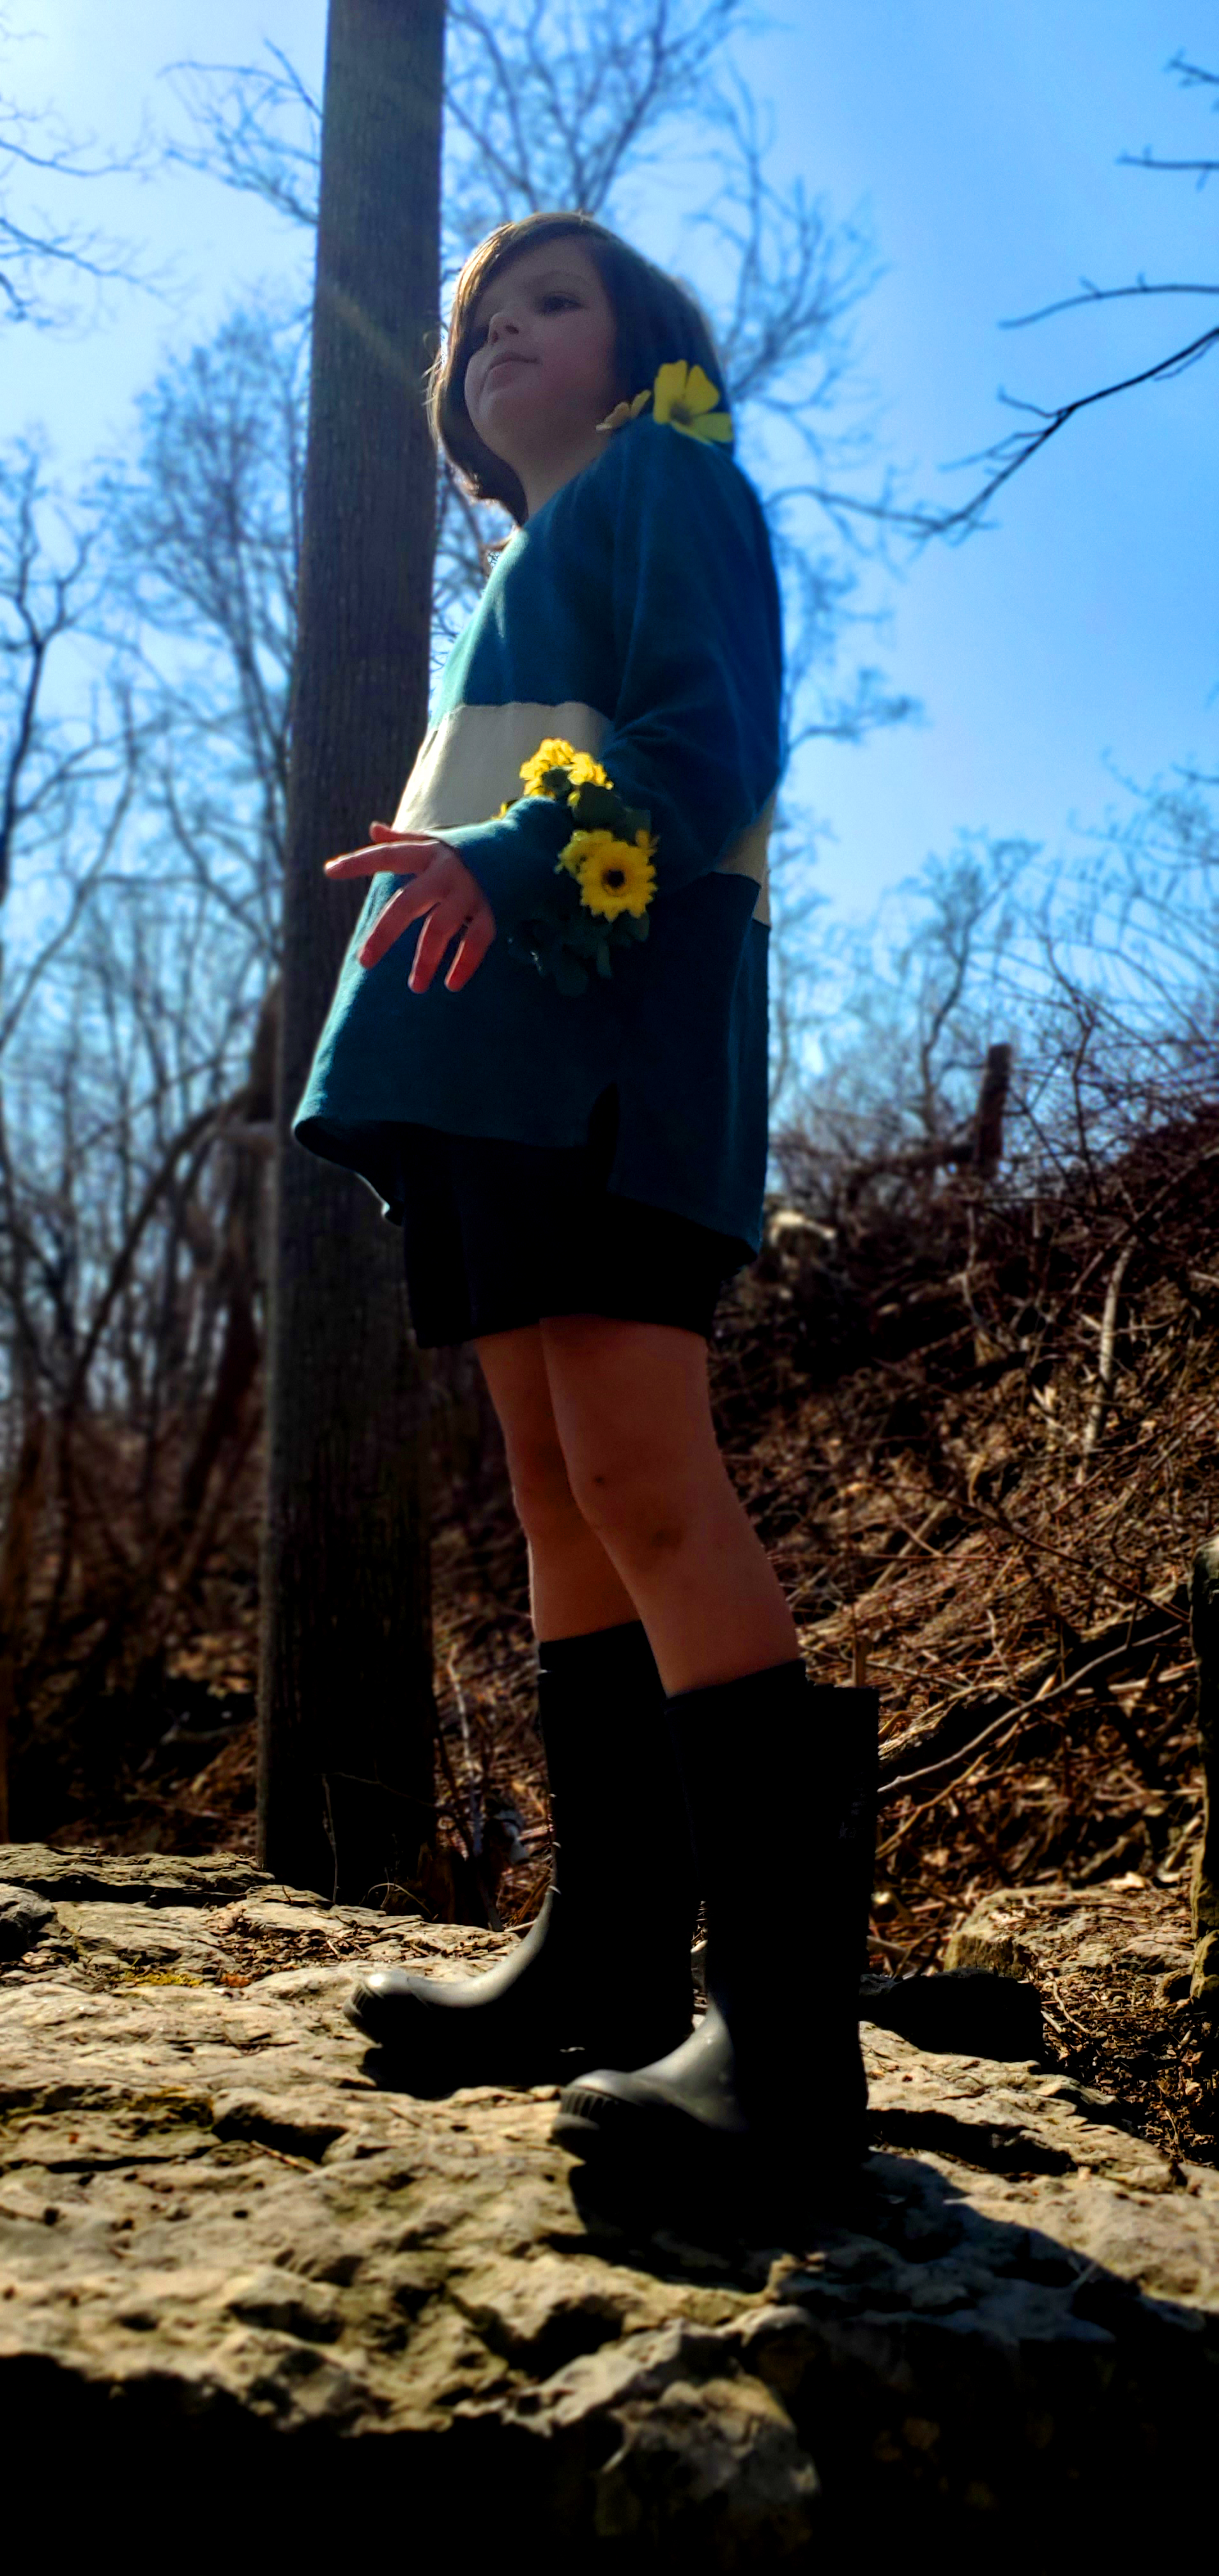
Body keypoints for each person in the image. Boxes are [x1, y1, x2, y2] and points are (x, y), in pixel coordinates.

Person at [295, 211, 877, 2181]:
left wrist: (508, 866)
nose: (498, 339)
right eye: (474, 325)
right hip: (510, 1089)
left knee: (642, 1475)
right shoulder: (531, 558)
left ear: (638, 360)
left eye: (552, 306)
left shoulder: (666, 481)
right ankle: (607, 1962)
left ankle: (788, 2047)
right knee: (553, 1487)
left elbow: (711, 750)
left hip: (622, 1083)